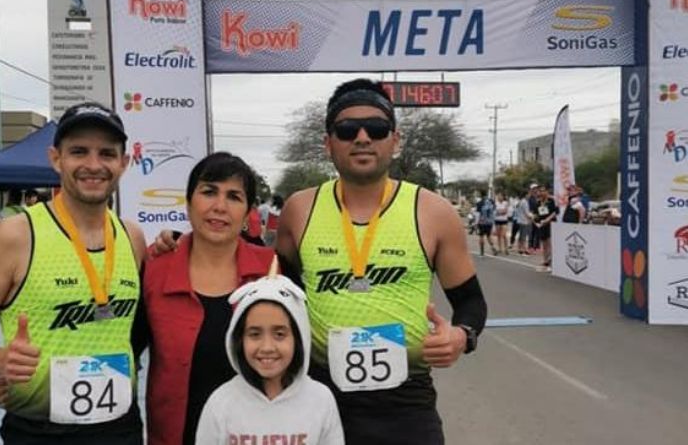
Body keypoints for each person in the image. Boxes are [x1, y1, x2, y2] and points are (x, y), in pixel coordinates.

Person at [275, 79, 487, 445]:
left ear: (395, 140)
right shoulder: (299, 209)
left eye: (376, 128)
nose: (362, 138)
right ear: (328, 143)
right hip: (318, 394)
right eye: (346, 130)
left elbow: (471, 302)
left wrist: (461, 336)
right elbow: (278, 289)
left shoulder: (434, 212)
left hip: (406, 401)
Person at [0, 102, 147, 444]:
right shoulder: (15, 235)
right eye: (78, 152)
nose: (93, 165)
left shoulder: (133, 237)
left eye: (106, 154)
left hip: (120, 429)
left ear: (123, 163)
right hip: (39, 432)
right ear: (56, 159)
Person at [143, 152, 279, 445]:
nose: (219, 206)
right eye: (208, 192)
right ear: (188, 202)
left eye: (234, 196)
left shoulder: (274, 270)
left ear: (248, 212)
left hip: (259, 435)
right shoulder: (153, 272)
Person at [195, 273, 344, 445]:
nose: (267, 347)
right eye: (255, 334)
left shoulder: (321, 399)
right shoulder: (220, 403)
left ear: (299, 337)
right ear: (239, 338)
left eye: (279, 334)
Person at [533, 186, 559, 272]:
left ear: (547, 192)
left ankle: (551, 263)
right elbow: (536, 214)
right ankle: (545, 262)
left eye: (543, 191)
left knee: (550, 244)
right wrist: (534, 218)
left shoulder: (551, 200)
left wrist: (548, 219)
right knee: (544, 245)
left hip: (551, 224)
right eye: (540, 191)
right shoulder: (538, 202)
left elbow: (556, 212)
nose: (541, 193)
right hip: (542, 225)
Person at [475, 190, 497, 256]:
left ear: (480, 195)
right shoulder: (491, 202)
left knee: (481, 236)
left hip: (482, 222)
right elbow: (494, 211)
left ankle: (482, 252)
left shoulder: (479, 203)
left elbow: (478, 214)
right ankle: (493, 247)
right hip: (489, 222)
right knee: (489, 235)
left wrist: (476, 223)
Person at [512, 191, 532, 255]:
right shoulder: (525, 202)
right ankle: (524, 249)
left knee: (521, 235)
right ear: (526, 195)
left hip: (520, 220)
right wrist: (531, 216)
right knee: (524, 235)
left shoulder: (520, 201)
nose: (529, 196)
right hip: (524, 220)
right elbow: (526, 212)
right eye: (529, 194)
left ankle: (520, 248)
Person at [526, 183, 541, 253]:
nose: (536, 190)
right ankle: (530, 246)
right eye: (534, 188)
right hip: (532, 216)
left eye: (536, 188)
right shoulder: (530, 198)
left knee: (538, 232)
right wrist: (532, 216)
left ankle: (537, 246)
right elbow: (529, 209)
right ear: (531, 190)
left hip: (539, 216)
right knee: (532, 232)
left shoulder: (539, 197)